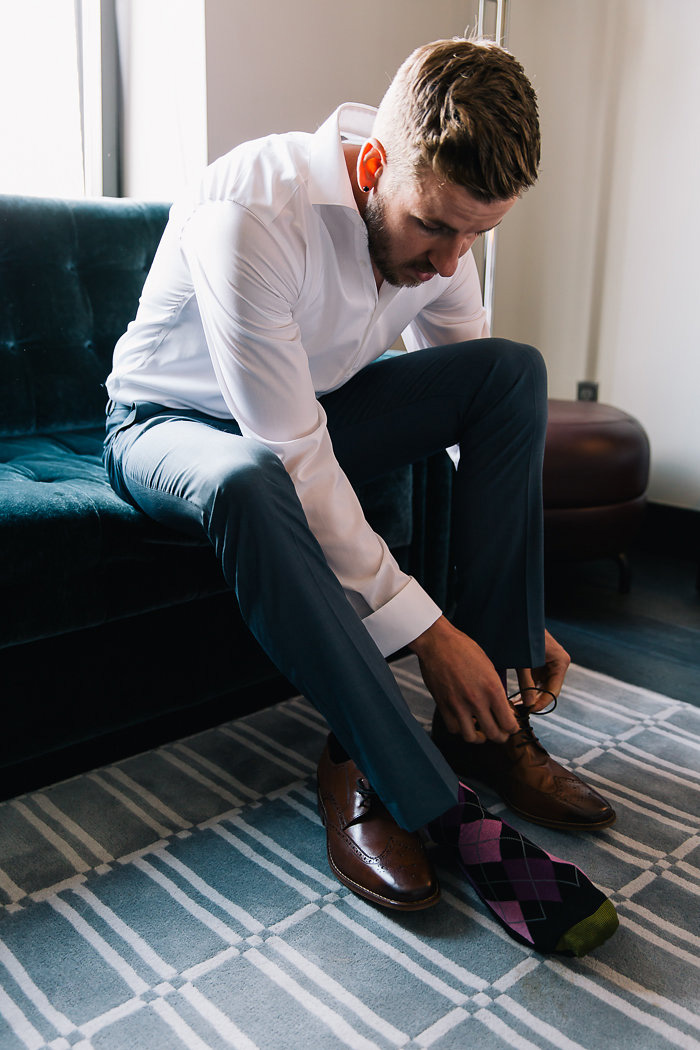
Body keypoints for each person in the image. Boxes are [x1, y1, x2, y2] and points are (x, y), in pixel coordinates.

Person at [104, 37, 619, 955]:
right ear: (375, 165)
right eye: (435, 228)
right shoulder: (252, 210)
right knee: (252, 478)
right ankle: (421, 793)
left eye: (478, 235)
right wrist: (428, 631)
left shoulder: (447, 242)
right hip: (169, 426)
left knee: (509, 373)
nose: (451, 262)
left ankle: (488, 726)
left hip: (309, 412)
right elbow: (293, 454)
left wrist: (511, 609)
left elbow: (469, 410)